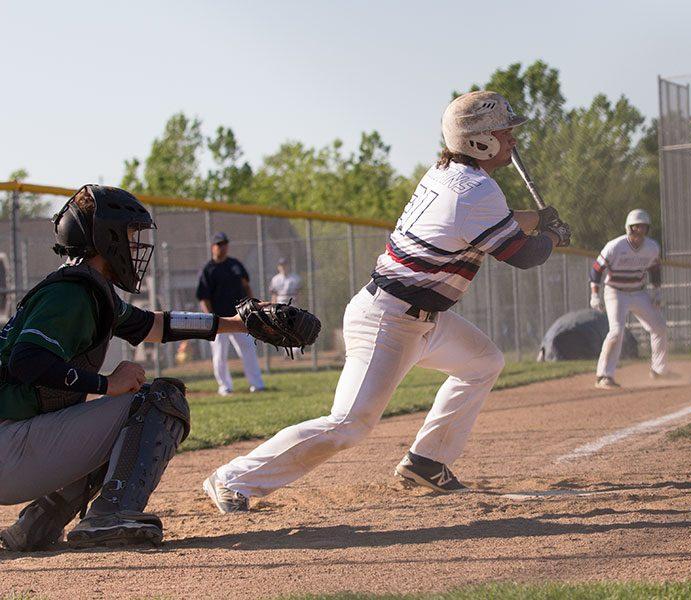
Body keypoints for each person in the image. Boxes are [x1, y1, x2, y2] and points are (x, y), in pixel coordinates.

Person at [203, 90, 571, 513]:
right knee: (349, 424)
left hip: (423, 320)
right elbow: (524, 255)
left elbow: (496, 223)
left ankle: (427, 460)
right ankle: (233, 479)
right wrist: (553, 236)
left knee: (484, 362)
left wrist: (539, 221)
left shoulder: (449, 174)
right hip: (390, 320)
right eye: (504, 133)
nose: (512, 140)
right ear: (479, 141)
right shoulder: (476, 191)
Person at [0, 185, 257, 550]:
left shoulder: (87, 289)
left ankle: (37, 525)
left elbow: (156, 324)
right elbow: (26, 361)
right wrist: (105, 384)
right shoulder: (72, 294)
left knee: (123, 421)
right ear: (106, 238)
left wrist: (239, 322)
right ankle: (109, 515)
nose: (135, 246)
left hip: (14, 445)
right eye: (130, 235)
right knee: (157, 400)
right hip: (10, 448)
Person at [590, 209, 669, 390]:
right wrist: (594, 294)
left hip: (637, 292)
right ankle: (603, 375)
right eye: (636, 228)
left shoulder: (651, 247)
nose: (639, 232)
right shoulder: (615, 246)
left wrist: (657, 292)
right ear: (628, 228)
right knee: (616, 332)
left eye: (643, 228)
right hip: (615, 292)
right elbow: (596, 270)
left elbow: (655, 270)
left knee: (660, 327)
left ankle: (659, 370)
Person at [196, 232, 264, 395]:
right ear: (213, 247)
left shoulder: (235, 265)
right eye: (219, 244)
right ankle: (225, 386)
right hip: (219, 319)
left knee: (248, 349)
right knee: (219, 354)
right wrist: (210, 317)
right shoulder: (209, 270)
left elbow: (246, 285)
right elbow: (203, 298)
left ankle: (257, 384)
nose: (223, 247)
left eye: (225, 243)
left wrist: (251, 305)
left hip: (240, 316)